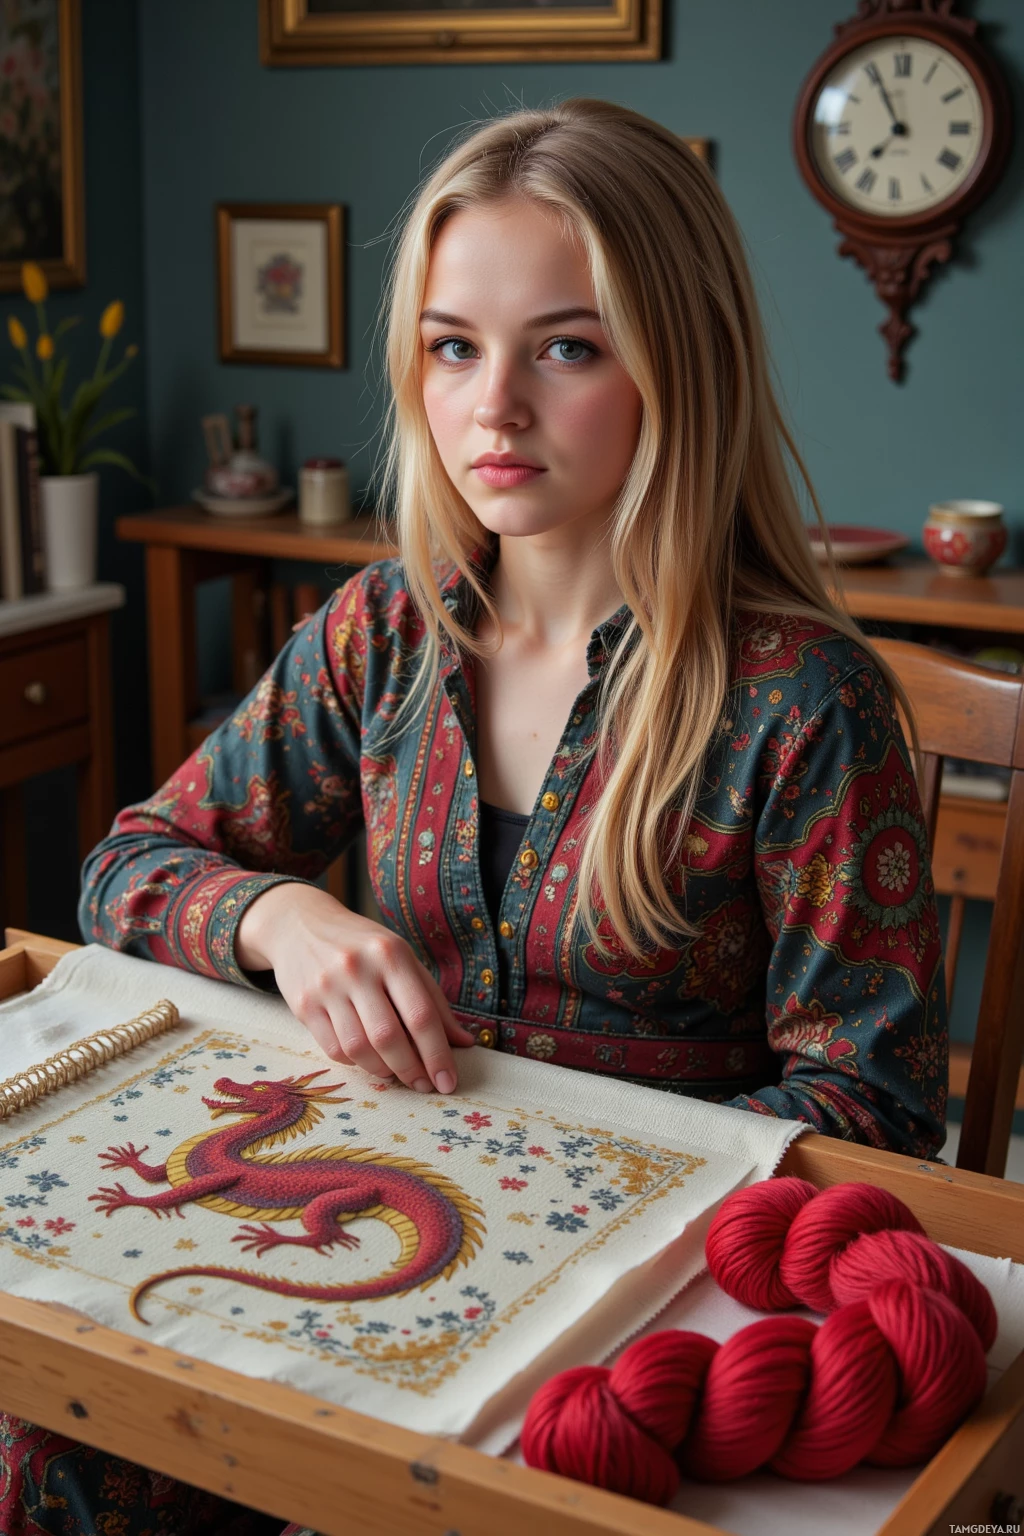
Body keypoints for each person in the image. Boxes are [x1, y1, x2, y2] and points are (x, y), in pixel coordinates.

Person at [0, 97, 946, 1536]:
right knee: (48, 1444)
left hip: (633, 1324)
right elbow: (129, 865)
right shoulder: (384, 635)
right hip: (364, 1240)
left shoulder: (806, 702)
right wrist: (281, 912)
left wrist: (573, 1193)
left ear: (676, 363)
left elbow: (870, 1111)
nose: (491, 407)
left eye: (566, 345)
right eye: (453, 347)